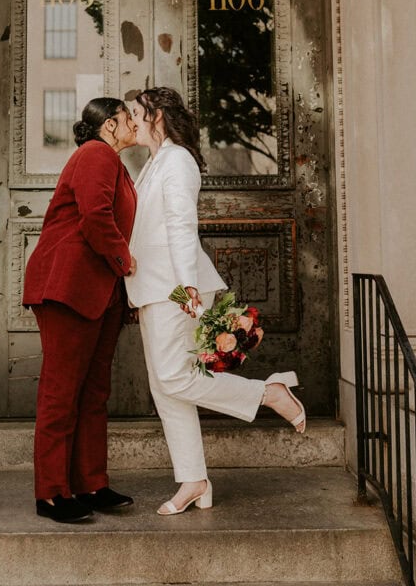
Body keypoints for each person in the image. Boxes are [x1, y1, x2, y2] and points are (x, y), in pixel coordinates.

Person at [127, 87, 306, 515]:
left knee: (174, 378)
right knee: (167, 388)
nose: (130, 120)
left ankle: (270, 392)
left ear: (158, 117)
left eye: (136, 113)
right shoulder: (152, 163)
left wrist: (187, 287)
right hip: (153, 288)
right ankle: (193, 480)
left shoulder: (178, 160)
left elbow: (181, 226)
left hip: (176, 287)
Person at [22, 97, 138, 523]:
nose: (134, 124)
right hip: (68, 288)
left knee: (93, 393)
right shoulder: (95, 155)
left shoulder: (112, 161)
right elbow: (94, 216)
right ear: (109, 125)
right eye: (128, 118)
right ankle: (51, 493)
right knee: (61, 394)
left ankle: (91, 483)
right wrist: (125, 261)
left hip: (100, 290)